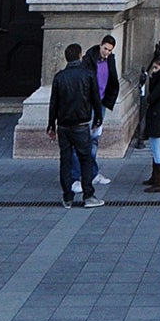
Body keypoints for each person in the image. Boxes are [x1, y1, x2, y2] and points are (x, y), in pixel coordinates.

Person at [46, 43, 105, 206]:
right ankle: (88, 196)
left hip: (63, 125)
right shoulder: (88, 74)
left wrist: (51, 125)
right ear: (80, 56)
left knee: (65, 160)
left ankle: (67, 197)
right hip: (81, 124)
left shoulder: (59, 77)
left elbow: (53, 103)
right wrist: (98, 118)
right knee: (85, 159)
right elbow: (95, 99)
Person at [137, 46, 160, 192]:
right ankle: (155, 176)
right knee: (154, 146)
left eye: (156, 68)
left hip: (158, 117)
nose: (154, 71)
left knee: (157, 148)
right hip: (156, 115)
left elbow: (150, 98)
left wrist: (146, 85)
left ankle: (159, 180)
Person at [90, 34, 120, 191]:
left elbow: (112, 81)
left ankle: (92, 173)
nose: (107, 52)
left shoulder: (110, 60)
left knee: (95, 139)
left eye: (109, 50)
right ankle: (80, 175)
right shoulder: (90, 60)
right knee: (84, 140)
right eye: (105, 49)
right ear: (100, 45)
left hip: (101, 104)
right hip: (89, 105)